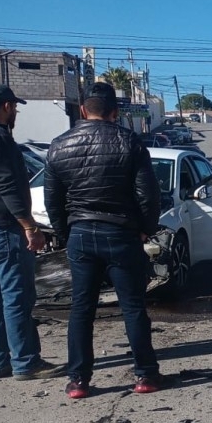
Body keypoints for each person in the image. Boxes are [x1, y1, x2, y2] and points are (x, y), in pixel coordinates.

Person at [45, 82, 164, 399]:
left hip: (80, 234)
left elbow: (52, 201)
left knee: (81, 310)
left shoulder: (59, 145)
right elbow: (148, 195)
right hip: (121, 233)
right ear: (115, 112)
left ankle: (79, 381)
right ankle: (145, 376)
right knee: (133, 307)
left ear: (83, 110)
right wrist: (146, 228)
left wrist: (66, 234)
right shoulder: (129, 142)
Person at [0, 83, 63, 381]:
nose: (15, 112)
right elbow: (6, 185)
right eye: (14, 107)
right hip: (3, 228)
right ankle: (26, 362)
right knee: (17, 297)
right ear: (6, 106)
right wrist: (30, 226)